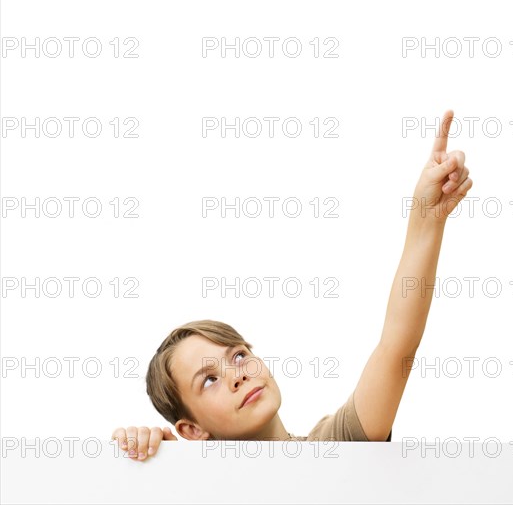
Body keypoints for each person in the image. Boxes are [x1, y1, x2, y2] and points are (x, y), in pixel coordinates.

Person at [111, 109, 473, 461]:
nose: (238, 375)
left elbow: (397, 345)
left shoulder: (333, 449)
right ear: (190, 431)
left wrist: (426, 219)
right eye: (209, 380)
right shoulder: (184, 480)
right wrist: (150, 463)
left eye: (238, 356)